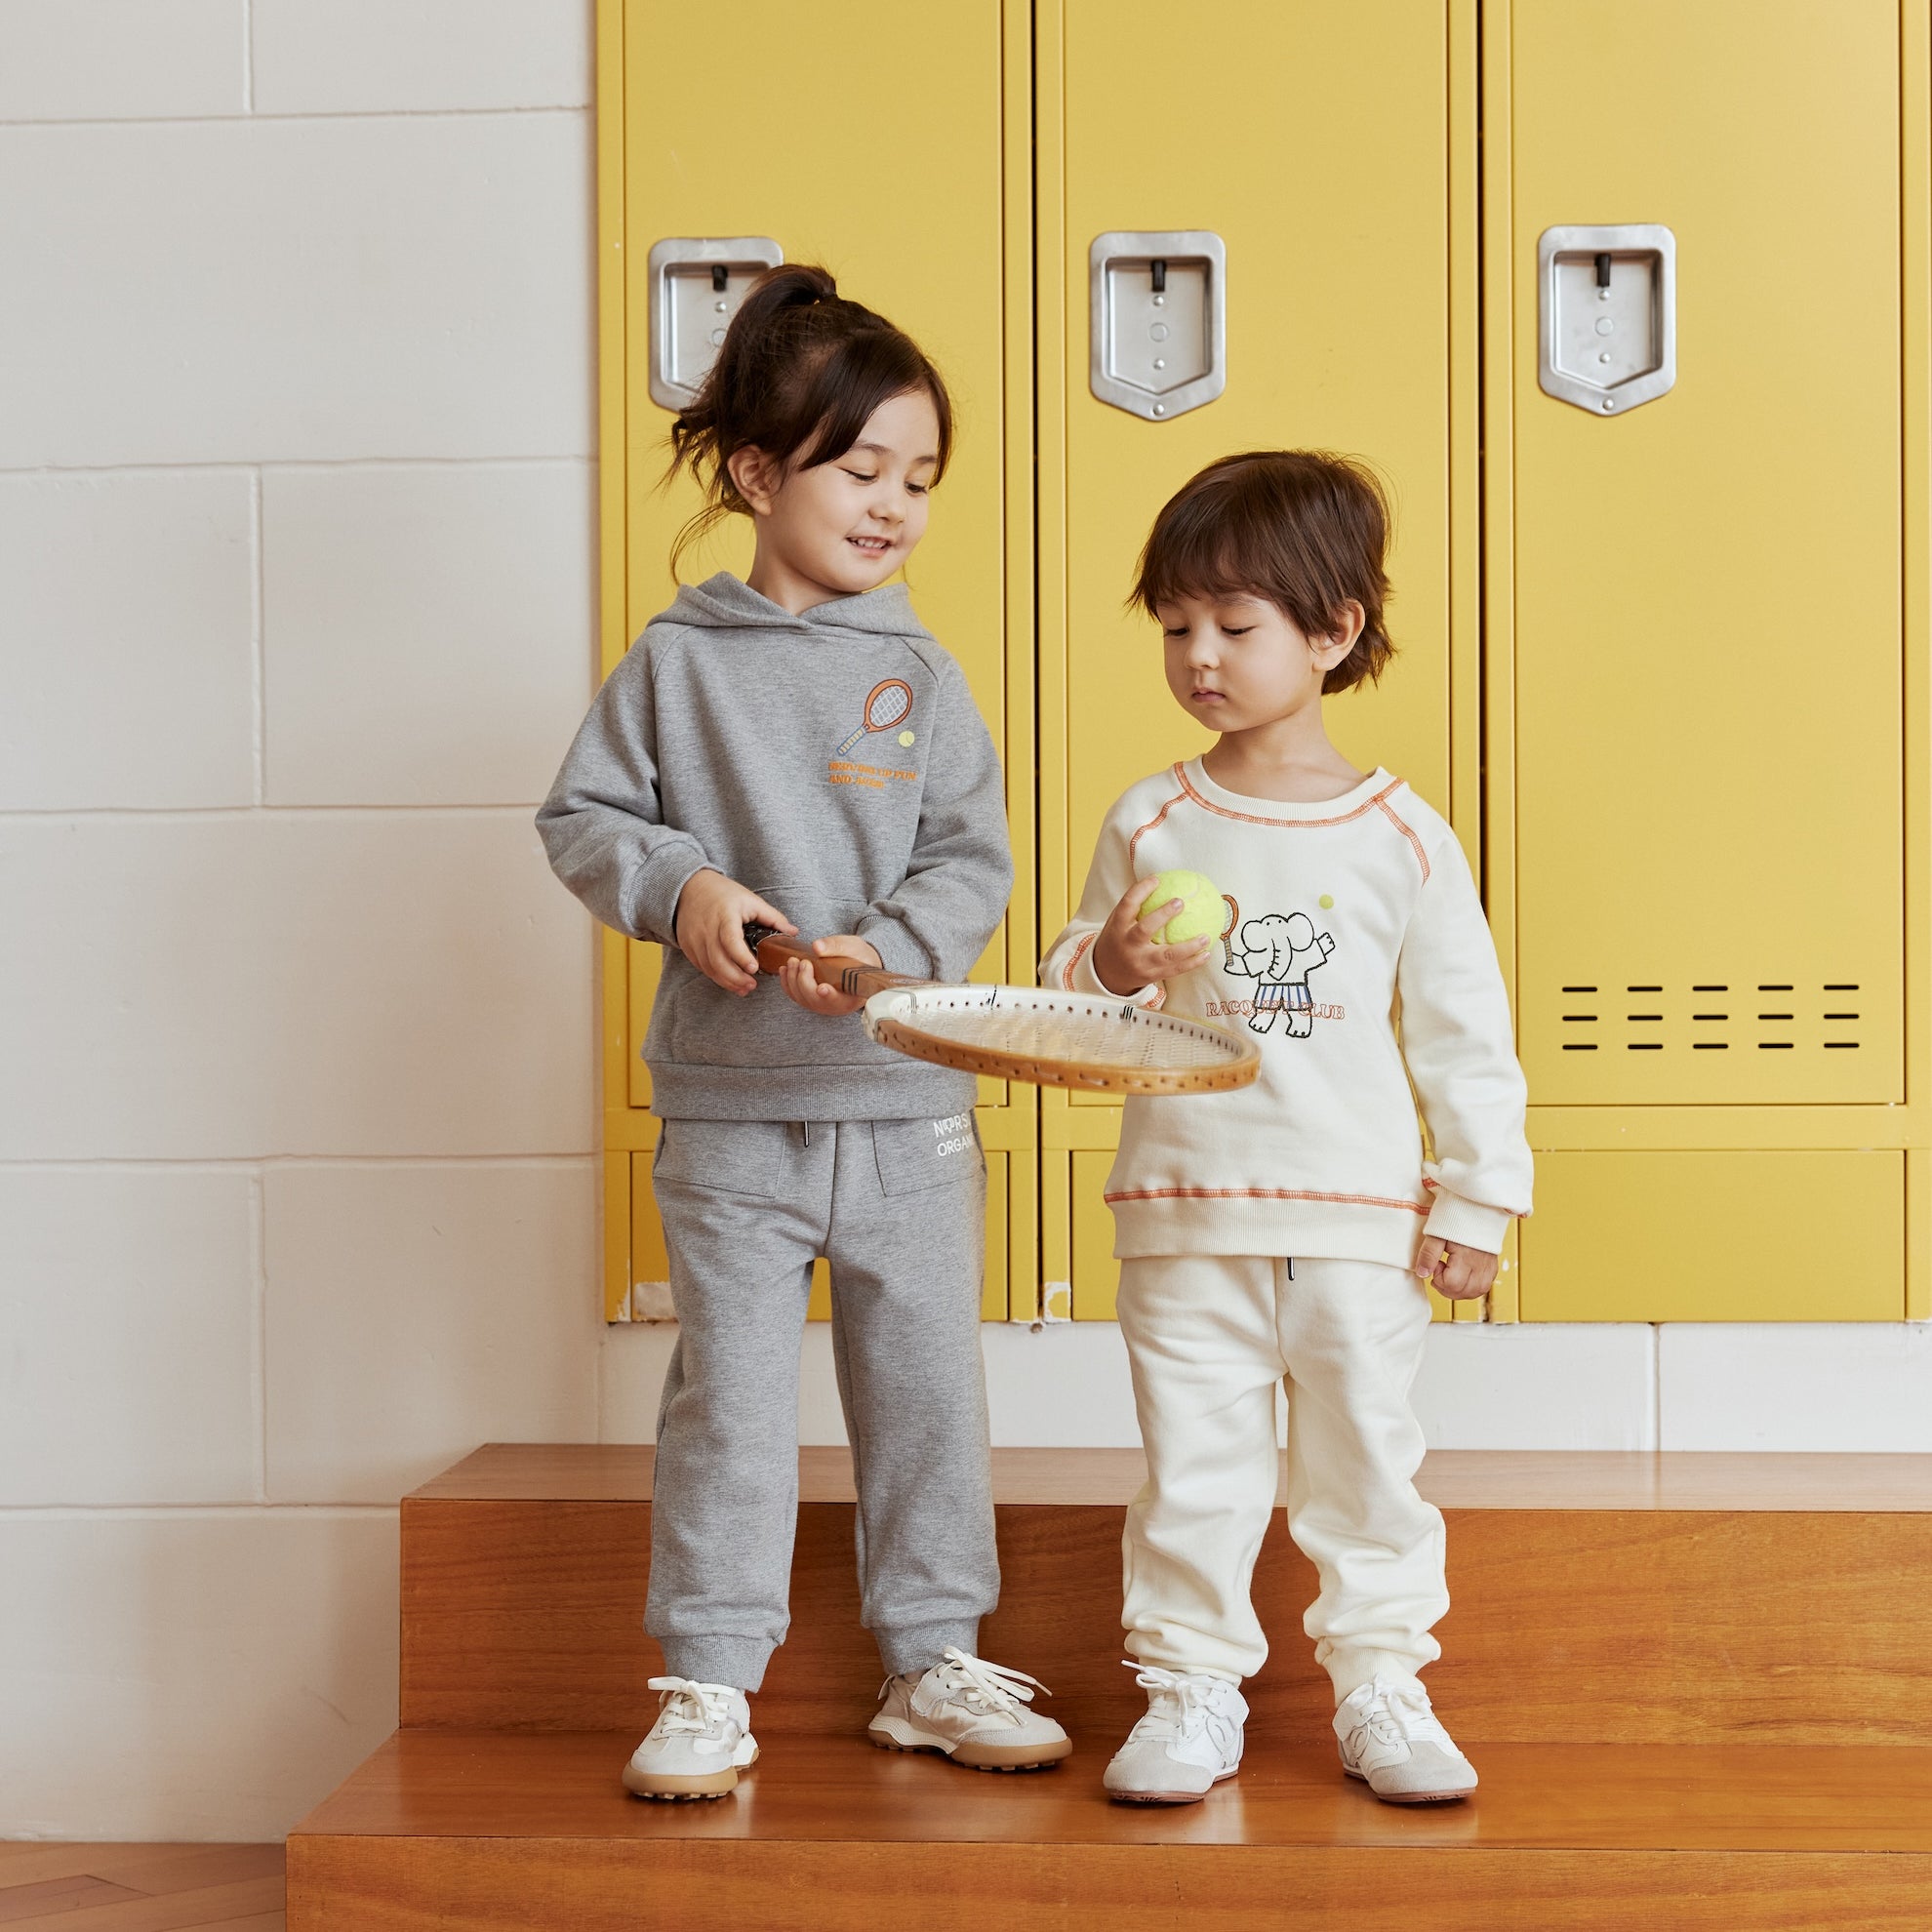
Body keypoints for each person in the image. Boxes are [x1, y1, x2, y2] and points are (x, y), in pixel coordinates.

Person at [539, 263, 1068, 1799]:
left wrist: (892, 950)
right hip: (729, 1117)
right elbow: (580, 819)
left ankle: (933, 1659)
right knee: (734, 1406)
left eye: (920, 478)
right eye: (862, 469)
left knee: (925, 1395)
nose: (895, 503)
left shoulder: (921, 675)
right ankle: (705, 1680)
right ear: (762, 475)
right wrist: (681, 884)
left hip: (905, 1113)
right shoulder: (674, 664)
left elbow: (972, 856)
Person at [1041, 450, 1532, 1806]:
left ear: (1333, 633)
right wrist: (1116, 968)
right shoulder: (1153, 819)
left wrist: (1478, 1202)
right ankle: (1191, 1689)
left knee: (1365, 1463)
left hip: (1359, 1222)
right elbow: (1066, 1009)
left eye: (1236, 625)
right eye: (1177, 626)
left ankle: (1382, 1680)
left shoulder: (1403, 837)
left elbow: (1462, 1035)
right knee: (1193, 1469)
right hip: (1184, 1213)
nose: (1201, 655)